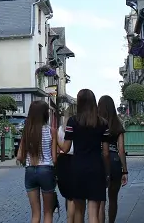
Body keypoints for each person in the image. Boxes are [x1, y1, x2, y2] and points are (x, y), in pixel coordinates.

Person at [58, 89, 110, 223]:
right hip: (96, 168)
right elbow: (105, 152)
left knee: (79, 212)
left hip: (77, 168)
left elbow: (66, 148)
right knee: (94, 214)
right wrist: (107, 172)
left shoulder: (72, 122)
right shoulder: (103, 123)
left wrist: (55, 138)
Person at [17, 100, 57, 223]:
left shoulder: (27, 131)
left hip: (30, 171)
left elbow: (19, 156)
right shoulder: (51, 131)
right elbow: (54, 158)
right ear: (45, 114)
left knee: (35, 214)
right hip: (46, 170)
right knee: (48, 213)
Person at [99, 95, 128, 223]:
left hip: (98, 160)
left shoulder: (96, 123)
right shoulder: (117, 124)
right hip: (115, 161)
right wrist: (125, 170)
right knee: (113, 198)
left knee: (100, 199)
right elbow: (121, 149)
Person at [56, 115, 76, 221]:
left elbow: (60, 149)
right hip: (75, 160)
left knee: (68, 196)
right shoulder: (79, 126)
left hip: (63, 161)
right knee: (72, 197)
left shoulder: (59, 129)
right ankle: (70, 219)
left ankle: (70, 218)